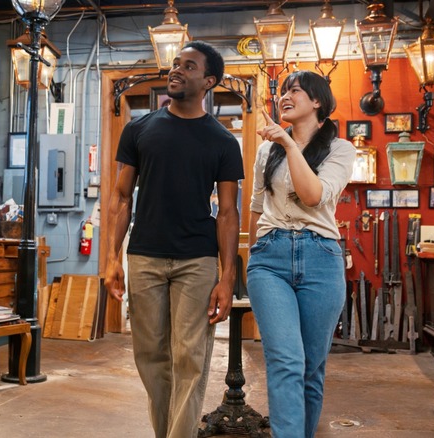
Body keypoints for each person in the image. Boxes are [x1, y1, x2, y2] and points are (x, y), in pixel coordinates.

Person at [103, 41, 244, 438]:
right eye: (176, 63)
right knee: (150, 357)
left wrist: (227, 277)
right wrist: (112, 259)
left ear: (209, 81)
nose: (176, 70)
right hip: (144, 256)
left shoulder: (222, 141)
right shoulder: (138, 129)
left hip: (197, 260)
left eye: (189, 66)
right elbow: (120, 196)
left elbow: (229, 212)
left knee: (190, 358)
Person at [247, 70, 354, 438]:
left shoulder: (341, 149)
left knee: (311, 367)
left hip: (321, 257)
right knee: (285, 361)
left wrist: (290, 145)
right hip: (270, 258)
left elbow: (312, 196)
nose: (284, 97)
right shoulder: (266, 150)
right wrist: (251, 254)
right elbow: (258, 207)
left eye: (294, 90)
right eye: (282, 92)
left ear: (318, 101)